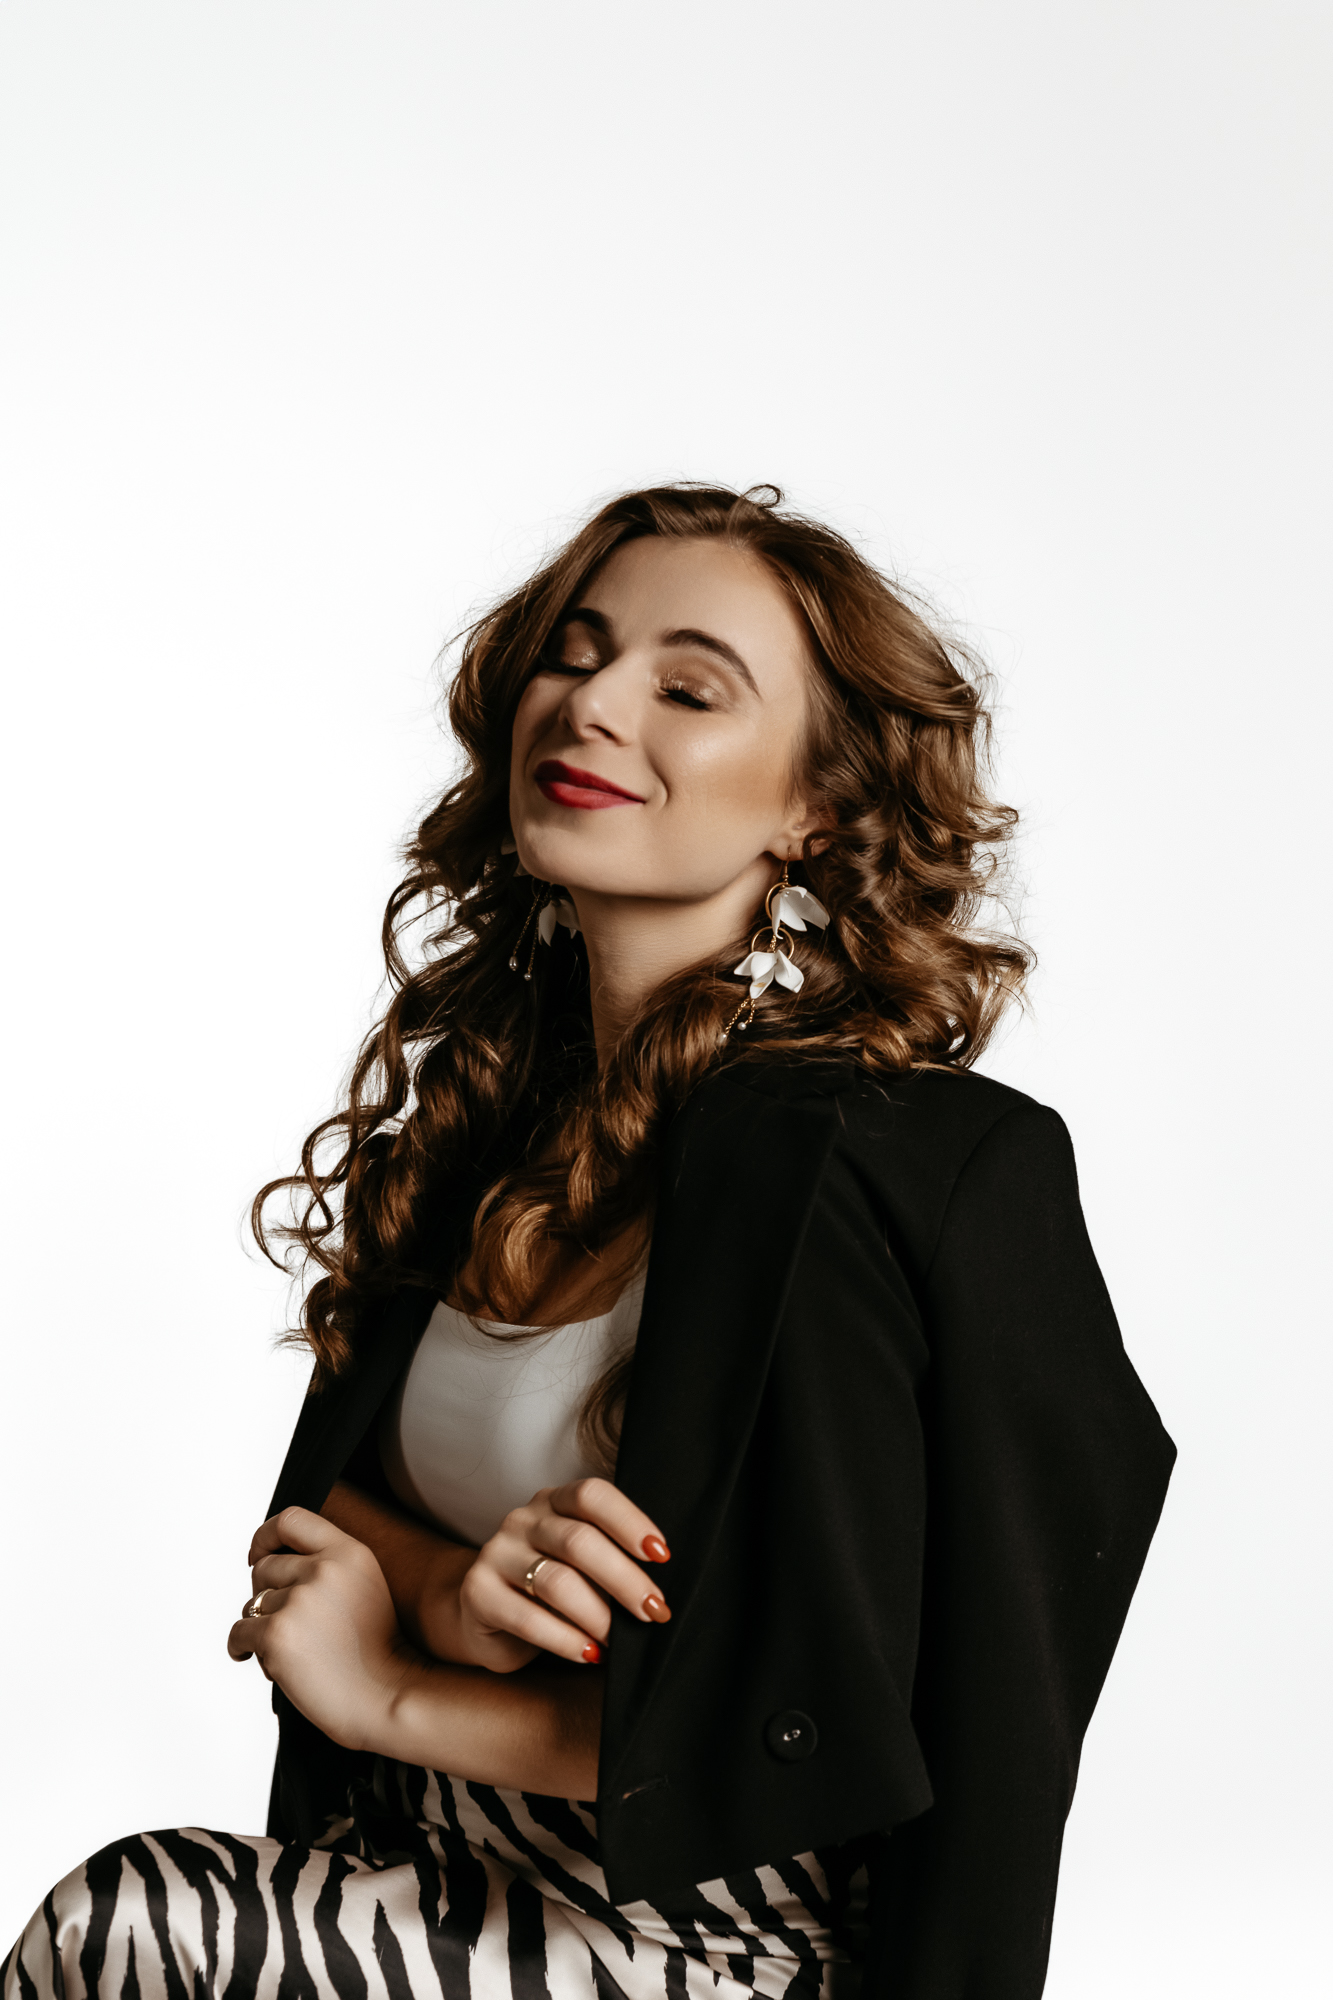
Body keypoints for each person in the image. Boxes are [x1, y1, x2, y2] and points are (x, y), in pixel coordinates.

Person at [3, 483, 1175, 2000]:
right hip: (423, 1881)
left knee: (135, 1921)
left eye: (688, 688)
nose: (594, 704)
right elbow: (327, 1529)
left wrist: (395, 1694)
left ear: (815, 808)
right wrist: (454, 1594)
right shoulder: (486, 1124)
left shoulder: (909, 1163)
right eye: (576, 653)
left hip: (712, 1942)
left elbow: (860, 1721)